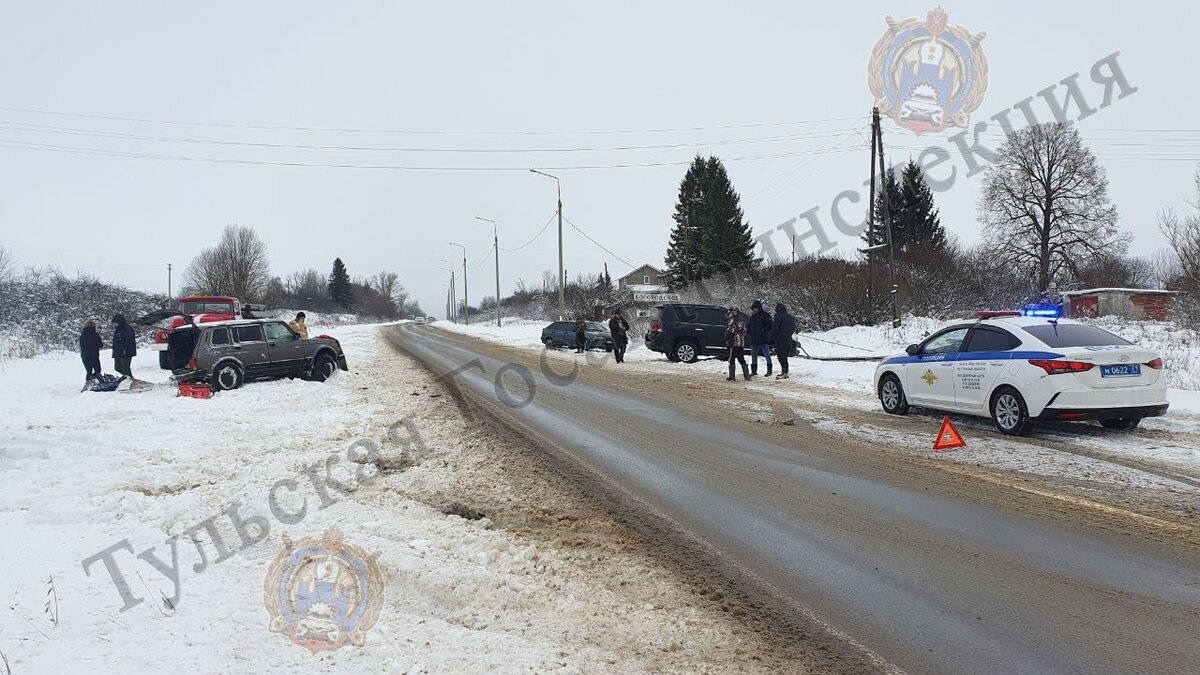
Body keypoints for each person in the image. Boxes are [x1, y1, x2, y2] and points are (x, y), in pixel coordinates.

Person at [746, 300, 774, 378]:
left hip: (763, 339)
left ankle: (769, 370)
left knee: (767, 355)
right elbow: (750, 325)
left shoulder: (766, 316)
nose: (755, 310)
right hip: (754, 339)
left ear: (759, 308)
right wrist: (748, 330)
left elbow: (769, 325)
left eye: (756, 308)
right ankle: (754, 371)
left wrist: (763, 330)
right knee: (753, 356)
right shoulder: (753, 317)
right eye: (753, 308)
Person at [772, 302, 796, 380]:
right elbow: (793, 328)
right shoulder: (790, 317)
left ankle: (784, 372)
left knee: (781, 355)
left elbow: (775, 328)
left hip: (780, 338)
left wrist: (773, 338)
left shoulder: (779, 317)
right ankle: (785, 371)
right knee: (784, 355)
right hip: (788, 338)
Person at [725, 307, 750, 381]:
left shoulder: (731, 320)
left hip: (733, 343)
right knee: (741, 358)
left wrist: (727, 337)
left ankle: (732, 377)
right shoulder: (742, 321)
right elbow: (745, 331)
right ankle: (747, 376)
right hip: (741, 343)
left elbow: (729, 331)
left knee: (732, 359)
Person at [110, 314, 137, 380]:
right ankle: (128, 378)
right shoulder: (118, 330)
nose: (114, 325)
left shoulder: (127, 329)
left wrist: (124, 349)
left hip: (125, 352)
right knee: (117, 367)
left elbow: (129, 341)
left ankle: (130, 379)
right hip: (118, 351)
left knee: (125, 368)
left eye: (115, 323)